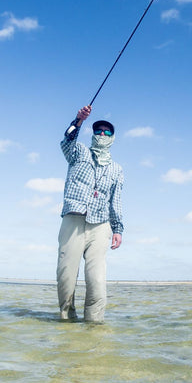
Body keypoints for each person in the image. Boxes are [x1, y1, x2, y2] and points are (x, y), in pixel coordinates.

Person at [56, 105, 124, 323]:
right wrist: (78, 120)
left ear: (112, 137)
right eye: (98, 131)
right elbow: (67, 140)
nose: (102, 134)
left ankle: (94, 329)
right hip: (73, 219)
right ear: (92, 134)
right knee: (66, 278)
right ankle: (67, 325)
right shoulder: (78, 152)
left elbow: (116, 200)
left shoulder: (117, 169)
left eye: (107, 132)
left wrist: (118, 229)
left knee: (96, 282)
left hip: (101, 226)